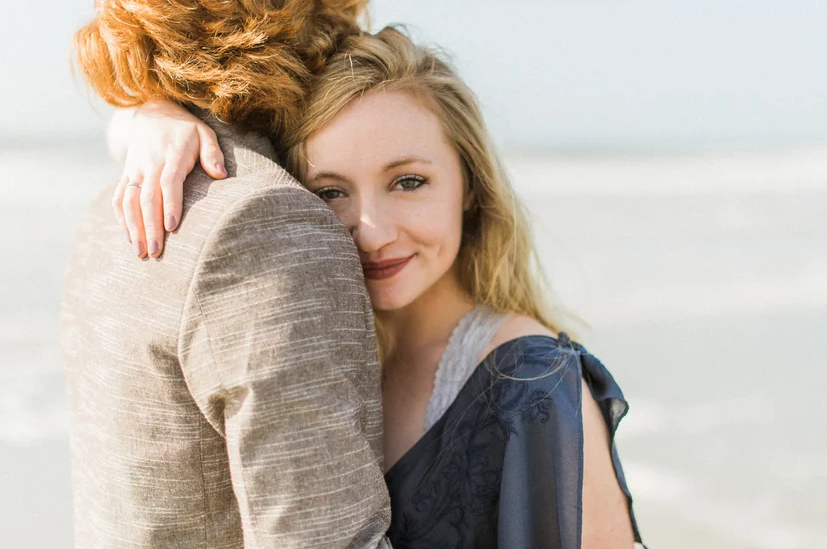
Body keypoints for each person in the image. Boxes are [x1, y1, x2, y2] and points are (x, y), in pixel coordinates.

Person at [113, 27, 647, 548]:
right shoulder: (313, 352)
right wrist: (151, 114)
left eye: (408, 182)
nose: (372, 233)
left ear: (469, 185)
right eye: (330, 192)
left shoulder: (531, 385)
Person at [61, 0, 393, 547]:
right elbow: (325, 536)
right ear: (313, 17)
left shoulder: (109, 210)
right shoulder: (269, 222)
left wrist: (151, 106)